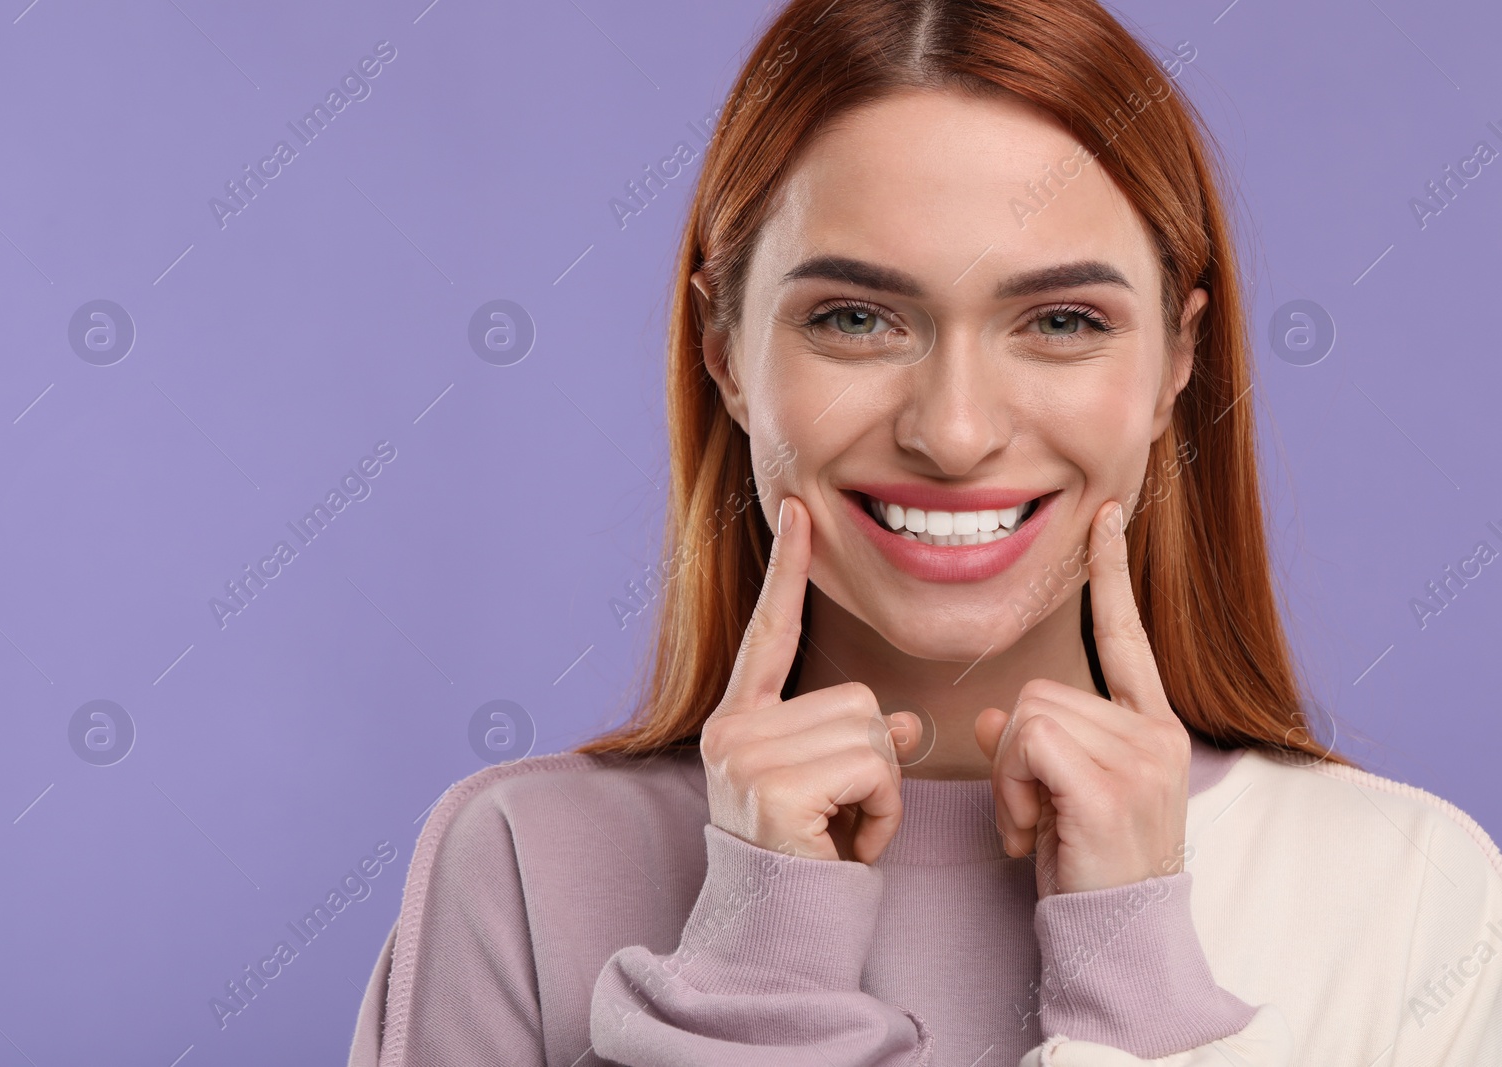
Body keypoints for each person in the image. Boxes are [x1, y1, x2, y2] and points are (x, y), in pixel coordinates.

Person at [349, 0, 1502, 1062]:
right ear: (725, 353)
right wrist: (755, 978)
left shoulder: (1408, 893)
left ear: (1176, 365)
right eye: (855, 318)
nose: (953, 433)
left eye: (1059, 319)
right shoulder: (515, 865)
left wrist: (1134, 980)